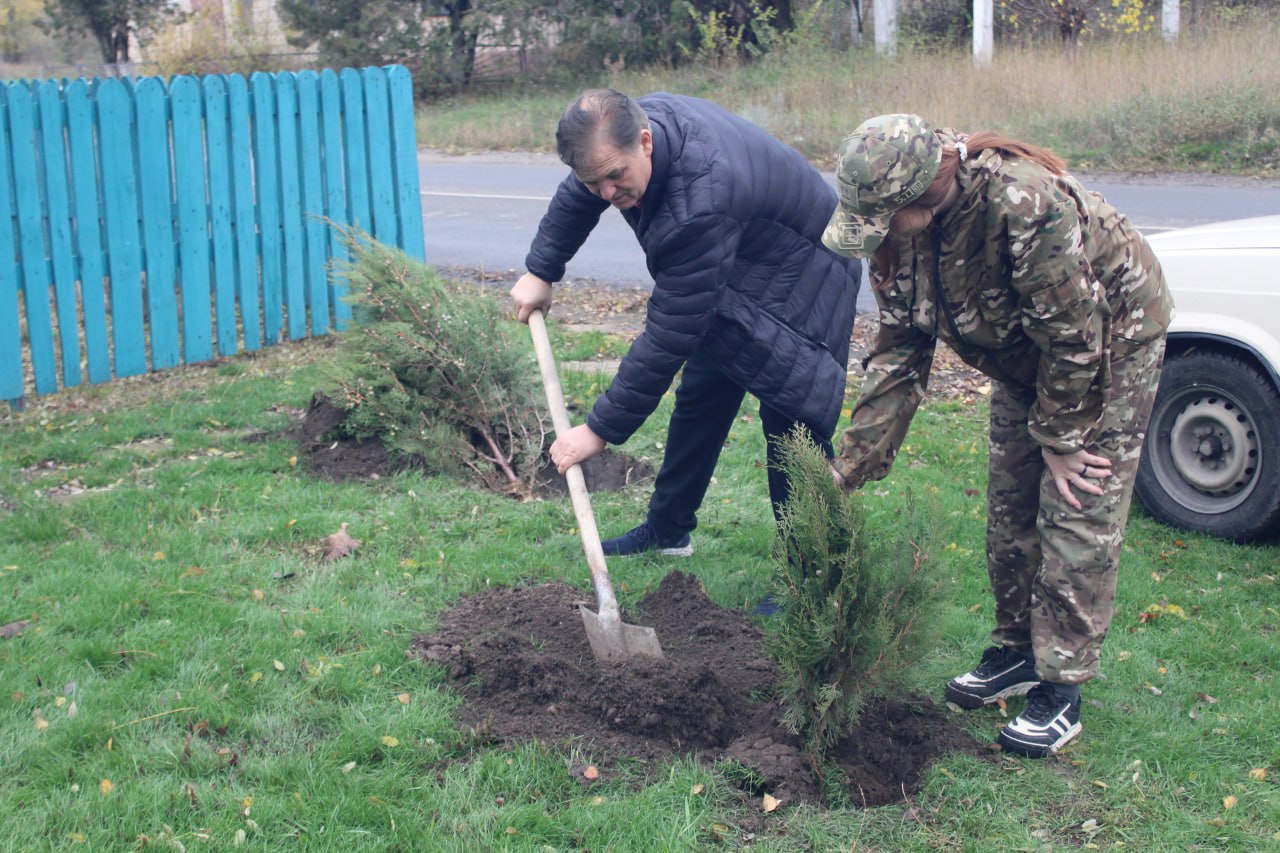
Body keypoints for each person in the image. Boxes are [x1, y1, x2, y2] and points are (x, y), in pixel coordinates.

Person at [822, 114, 1173, 758]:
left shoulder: (1023, 205)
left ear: (921, 196)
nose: (875, 234)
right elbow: (899, 352)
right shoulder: (902, 239)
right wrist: (850, 466)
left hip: (1107, 348)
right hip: (1022, 355)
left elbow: (1074, 337)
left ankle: (1061, 689)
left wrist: (1063, 439)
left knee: (1075, 506)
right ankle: (1017, 652)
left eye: (880, 217)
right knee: (1011, 502)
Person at [511, 89, 862, 567]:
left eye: (616, 177)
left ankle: (809, 563)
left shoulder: (700, 203)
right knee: (703, 395)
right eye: (598, 183)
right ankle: (668, 529)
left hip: (806, 267)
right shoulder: (619, 140)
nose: (609, 195)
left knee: (790, 417)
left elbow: (670, 333)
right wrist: (541, 269)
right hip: (742, 253)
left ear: (646, 141)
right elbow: (582, 190)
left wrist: (598, 430)